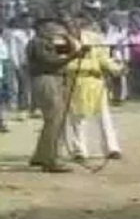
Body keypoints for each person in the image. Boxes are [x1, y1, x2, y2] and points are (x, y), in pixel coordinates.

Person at [27, 17, 84, 173]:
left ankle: (41, 155)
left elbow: (69, 50)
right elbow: (50, 62)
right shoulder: (38, 43)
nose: (56, 29)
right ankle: (51, 159)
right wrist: (73, 56)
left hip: (54, 79)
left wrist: (68, 37)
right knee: (54, 120)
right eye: (53, 26)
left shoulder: (49, 43)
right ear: (42, 28)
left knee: (53, 120)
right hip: (46, 79)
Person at [64, 16, 123, 160]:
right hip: (76, 82)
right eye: (69, 25)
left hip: (95, 82)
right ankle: (80, 150)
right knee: (77, 117)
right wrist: (77, 54)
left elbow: (103, 59)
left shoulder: (93, 38)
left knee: (103, 115)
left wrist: (116, 68)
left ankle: (111, 148)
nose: (73, 27)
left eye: (75, 24)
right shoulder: (61, 42)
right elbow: (63, 64)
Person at [4, 14, 32, 117]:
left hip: (33, 63)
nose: (29, 22)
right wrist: (16, 64)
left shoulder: (33, 33)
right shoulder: (15, 34)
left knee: (32, 85)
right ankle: (22, 107)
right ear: (22, 22)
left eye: (30, 21)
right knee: (22, 86)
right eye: (26, 21)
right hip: (22, 63)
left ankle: (32, 106)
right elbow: (13, 50)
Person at [103, 17, 130, 103]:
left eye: (107, 24)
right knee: (107, 79)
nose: (105, 25)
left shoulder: (119, 36)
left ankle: (118, 97)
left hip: (116, 56)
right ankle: (108, 96)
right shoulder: (102, 36)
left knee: (118, 78)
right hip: (105, 57)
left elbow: (124, 48)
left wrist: (125, 59)